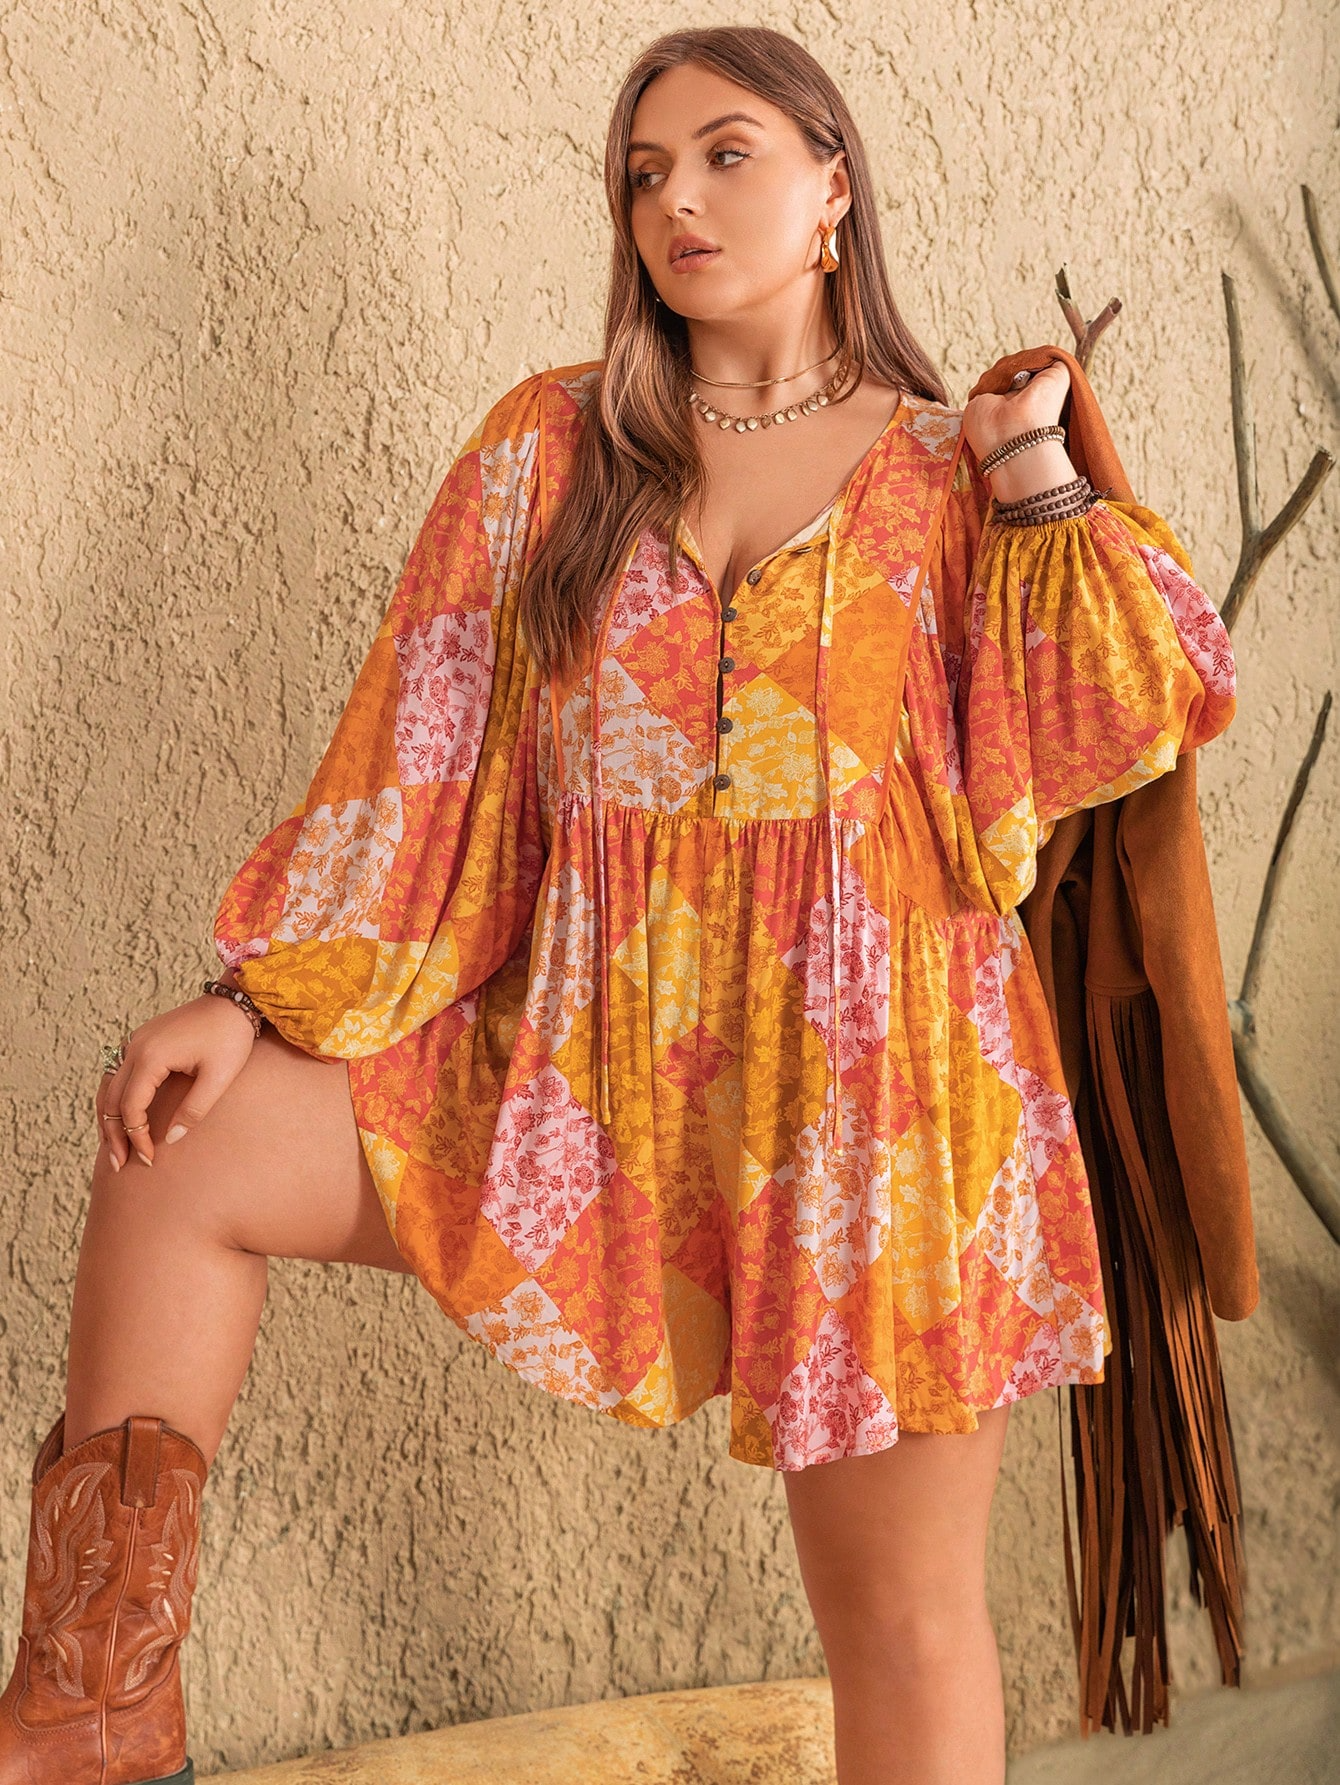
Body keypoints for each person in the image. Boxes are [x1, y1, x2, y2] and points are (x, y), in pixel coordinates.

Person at [0, 25, 1238, 1785]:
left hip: (880, 1119)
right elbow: (428, 759)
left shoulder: (948, 474)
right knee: (176, 1148)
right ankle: (93, 1715)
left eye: (728, 155)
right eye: (645, 173)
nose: (678, 202)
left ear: (833, 190)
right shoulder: (548, 449)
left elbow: (1132, 703)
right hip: (594, 1085)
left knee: (897, 1626)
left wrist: (1033, 464)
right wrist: (255, 1000)